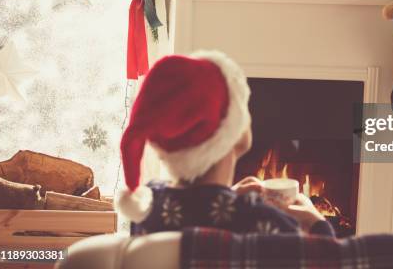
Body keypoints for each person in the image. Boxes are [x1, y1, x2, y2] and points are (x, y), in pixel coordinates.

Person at [115, 51, 334, 237]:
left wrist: (228, 196)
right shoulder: (270, 223)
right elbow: (326, 261)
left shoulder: (146, 207)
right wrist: (315, 222)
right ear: (232, 131)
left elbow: (196, 215)